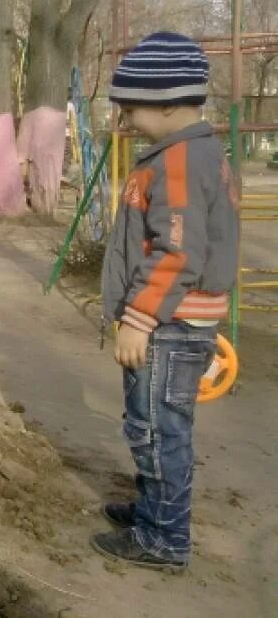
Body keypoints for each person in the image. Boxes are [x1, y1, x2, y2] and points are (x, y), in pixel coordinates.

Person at [93, 32, 239, 571]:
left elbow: (178, 253)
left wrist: (138, 318)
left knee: (156, 429)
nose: (125, 117)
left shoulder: (178, 162)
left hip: (168, 324)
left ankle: (164, 539)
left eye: (131, 106)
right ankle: (154, 511)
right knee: (156, 424)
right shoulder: (192, 153)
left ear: (170, 102)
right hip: (174, 321)